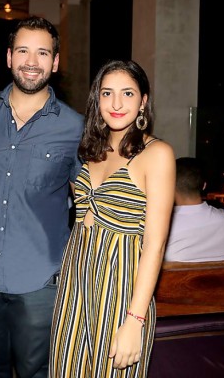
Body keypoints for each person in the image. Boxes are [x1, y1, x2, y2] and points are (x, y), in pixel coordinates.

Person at [0, 16, 84, 378]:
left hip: (40, 281)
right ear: (9, 57)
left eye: (43, 52)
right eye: (24, 51)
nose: (32, 61)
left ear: (56, 62)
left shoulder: (75, 127)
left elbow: (90, 202)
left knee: (38, 372)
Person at [49, 60, 176, 377]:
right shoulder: (91, 149)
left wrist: (135, 319)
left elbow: (155, 245)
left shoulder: (156, 154)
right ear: (96, 99)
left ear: (143, 101)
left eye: (128, 93)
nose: (116, 103)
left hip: (121, 286)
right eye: (107, 93)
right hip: (75, 279)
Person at [164, 157, 224, 262]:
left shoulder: (163, 227)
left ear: (169, 186)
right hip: (222, 278)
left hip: (177, 278)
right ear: (204, 186)